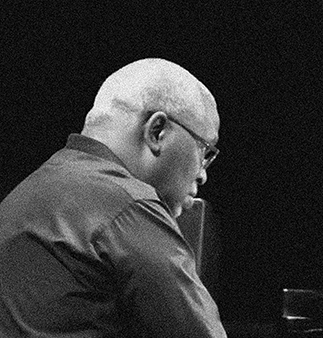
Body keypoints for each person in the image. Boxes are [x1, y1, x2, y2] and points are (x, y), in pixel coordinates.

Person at [0, 58, 227, 337]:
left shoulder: (21, 196)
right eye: (204, 150)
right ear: (157, 131)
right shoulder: (130, 206)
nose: (203, 174)